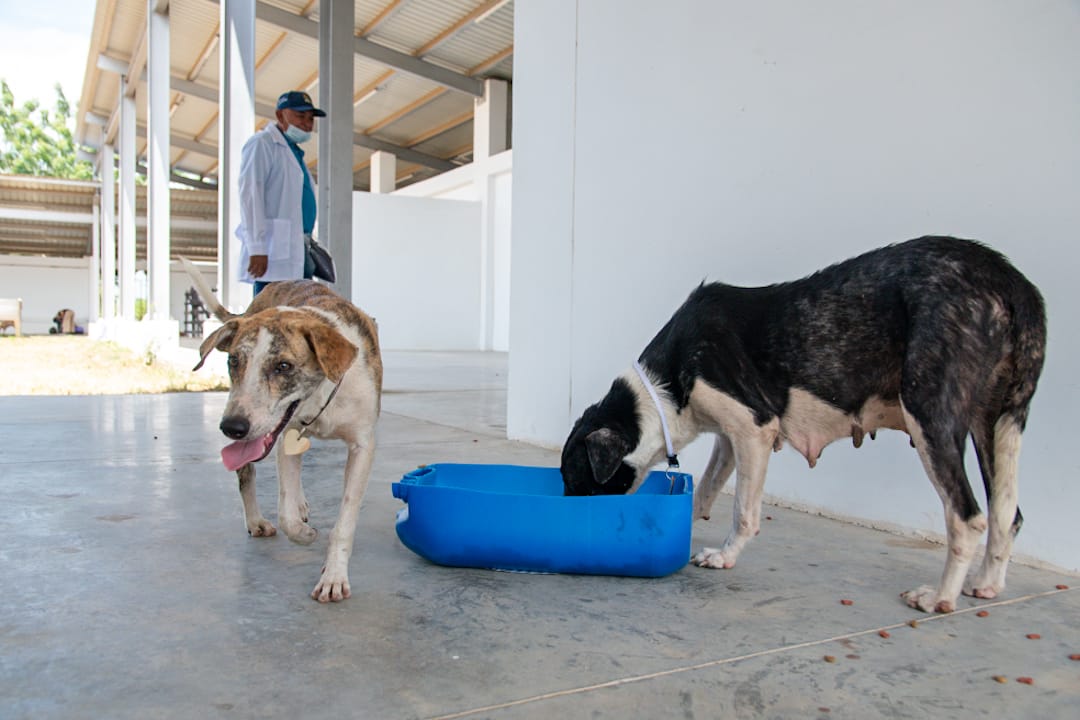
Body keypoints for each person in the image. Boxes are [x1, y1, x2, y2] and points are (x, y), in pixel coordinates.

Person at [236, 90, 325, 295]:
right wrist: (257, 247)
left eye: (311, 119)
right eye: (300, 116)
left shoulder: (294, 151)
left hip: (297, 247)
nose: (307, 124)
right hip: (274, 251)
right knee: (270, 314)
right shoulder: (263, 143)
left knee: (297, 314)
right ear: (280, 115)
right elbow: (250, 195)